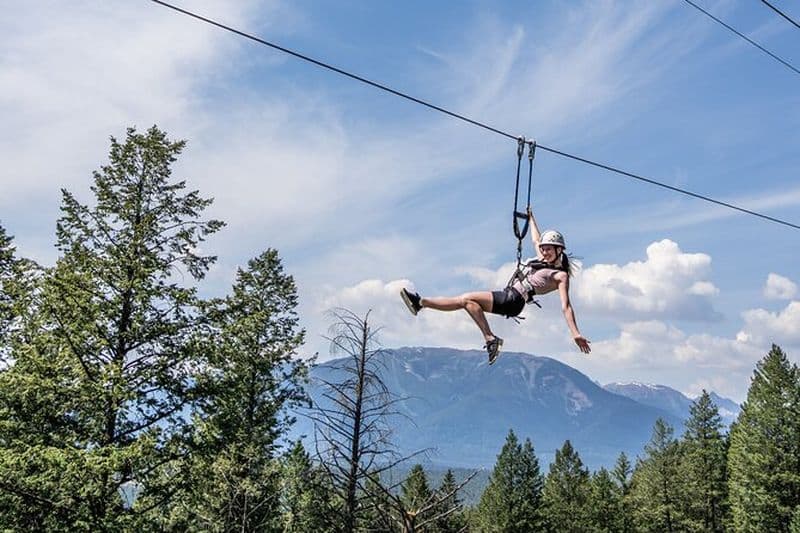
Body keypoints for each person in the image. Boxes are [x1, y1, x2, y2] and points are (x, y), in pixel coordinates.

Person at [400, 207, 591, 364]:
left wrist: (575, 333)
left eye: (548, 249)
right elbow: (535, 238)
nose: (544, 252)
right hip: (509, 295)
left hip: (514, 299)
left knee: (467, 299)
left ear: (559, 250)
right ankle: (421, 303)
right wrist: (531, 218)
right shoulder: (542, 259)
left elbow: (566, 307)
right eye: (543, 249)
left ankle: (490, 338)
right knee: (465, 301)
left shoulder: (560, 276)